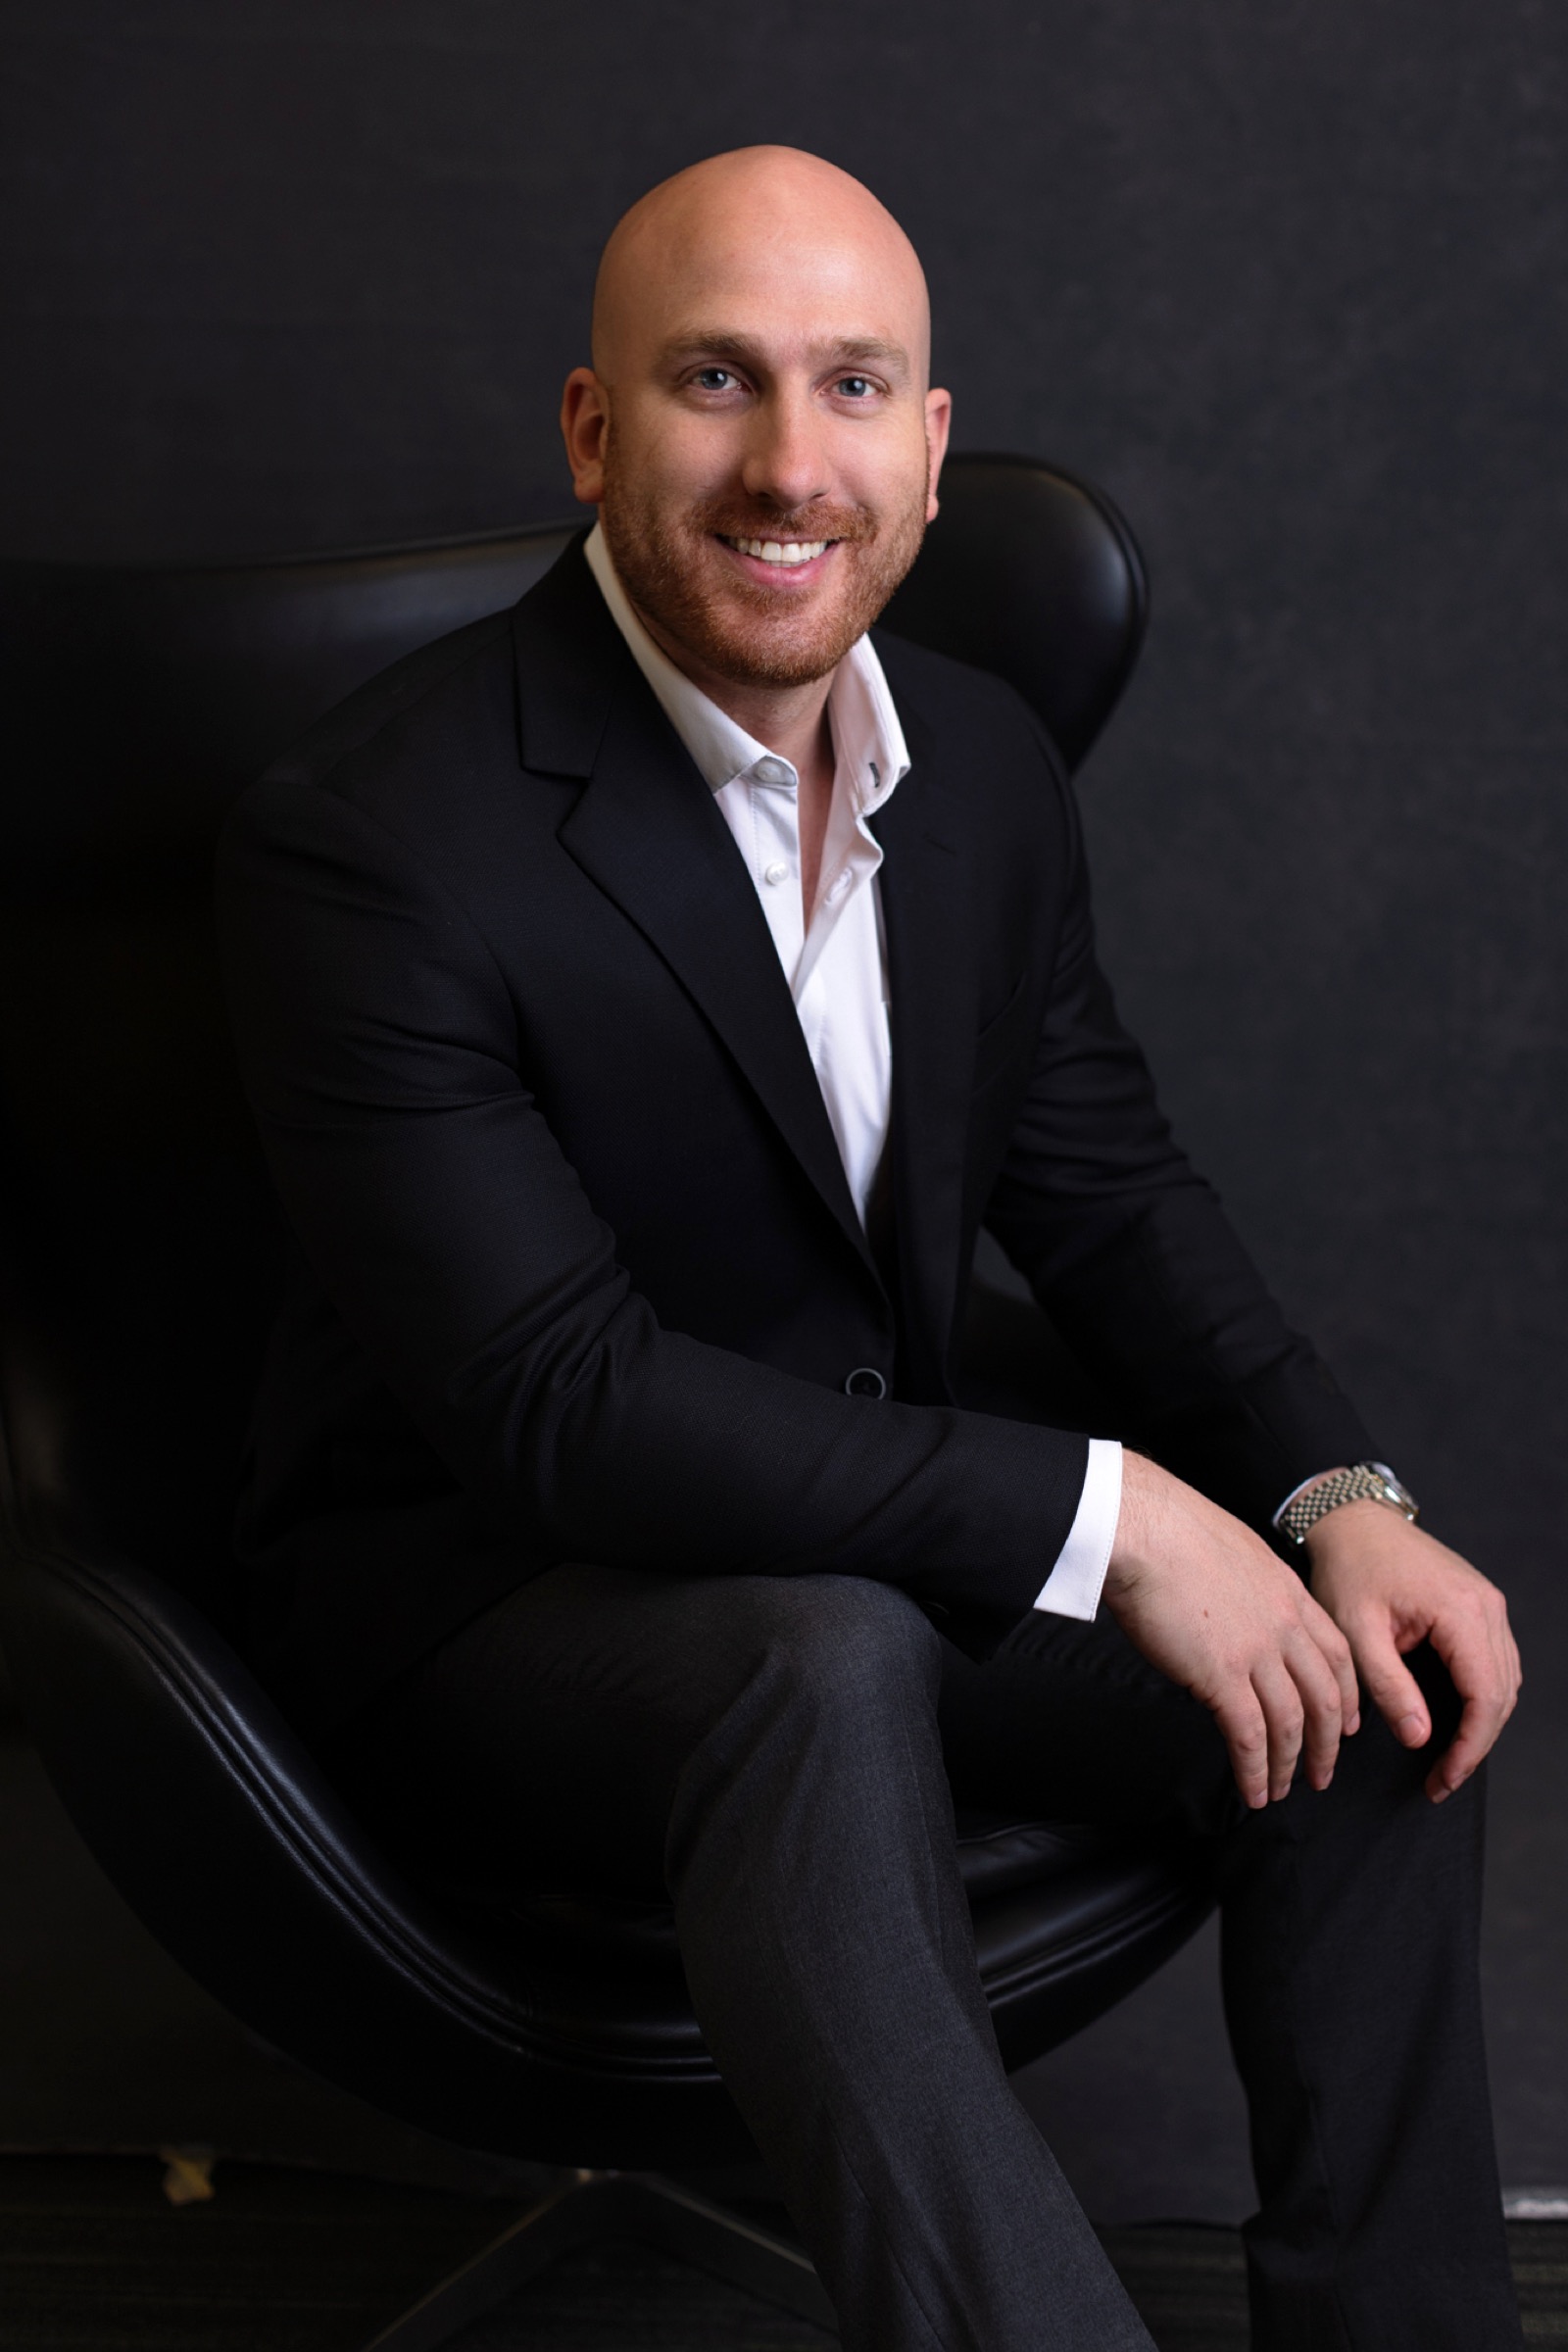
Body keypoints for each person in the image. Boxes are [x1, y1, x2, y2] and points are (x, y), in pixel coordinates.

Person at [217, 145, 1524, 2350]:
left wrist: (1332, 1496)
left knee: (1376, 1681)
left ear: (927, 449)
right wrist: (1113, 1518)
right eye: (714, 380)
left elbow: (1107, 1194)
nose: (787, 466)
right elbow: (564, 1412)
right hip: (489, 1605)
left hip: (867, 1534)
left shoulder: (981, 766)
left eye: (849, 387)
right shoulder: (373, 839)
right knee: (819, 1659)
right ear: (593, 429)